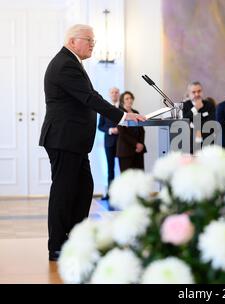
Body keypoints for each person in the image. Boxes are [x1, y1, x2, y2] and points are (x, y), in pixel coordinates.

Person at [39, 24, 146, 261]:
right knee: (64, 192)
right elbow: (89, 98)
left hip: (73, 141)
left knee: (84, 188)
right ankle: (57, 245)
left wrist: (121, 114)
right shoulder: (65, 64)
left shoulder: (71, 62)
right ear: (72, 40)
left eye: (93, 41)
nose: (92, 45)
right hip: (64, 138)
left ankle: (77, 238)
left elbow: (91, 95)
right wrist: (122, 115)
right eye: (89, 40)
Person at [98, 87, 122, 201]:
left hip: (123, 143)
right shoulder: (105, 109)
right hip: (109, 142)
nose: (114, 94)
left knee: (124, 169)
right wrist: (110, 130)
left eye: (116, 92)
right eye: (112, 92)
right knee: (110, 168)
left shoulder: (123, 109)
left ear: (119, 94)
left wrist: (120, 130)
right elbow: (100, 126)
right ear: (109, 94)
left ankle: (124, 193)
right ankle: (110, 193)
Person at [181, 81, 216, 153]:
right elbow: (185, 120)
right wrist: (195, 108)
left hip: (208, 141)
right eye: (193, 92)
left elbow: (211, 122)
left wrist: (196, 127)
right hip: (190, 143)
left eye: (199, 91)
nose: (197, 94)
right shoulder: (184, 105)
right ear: (189, 94)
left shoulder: (209, 105)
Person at [116, 91, 147, 172]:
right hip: (125, 150)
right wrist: (136, 144)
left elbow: (142, 131)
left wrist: (141, 144)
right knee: (127, 179)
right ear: (122, 101)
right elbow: (122, 133)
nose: (129, 100)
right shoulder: (120, 113)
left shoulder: (136, 112)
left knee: (140, 176)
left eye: (131, 98)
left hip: (139, 150)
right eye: (127, 99)